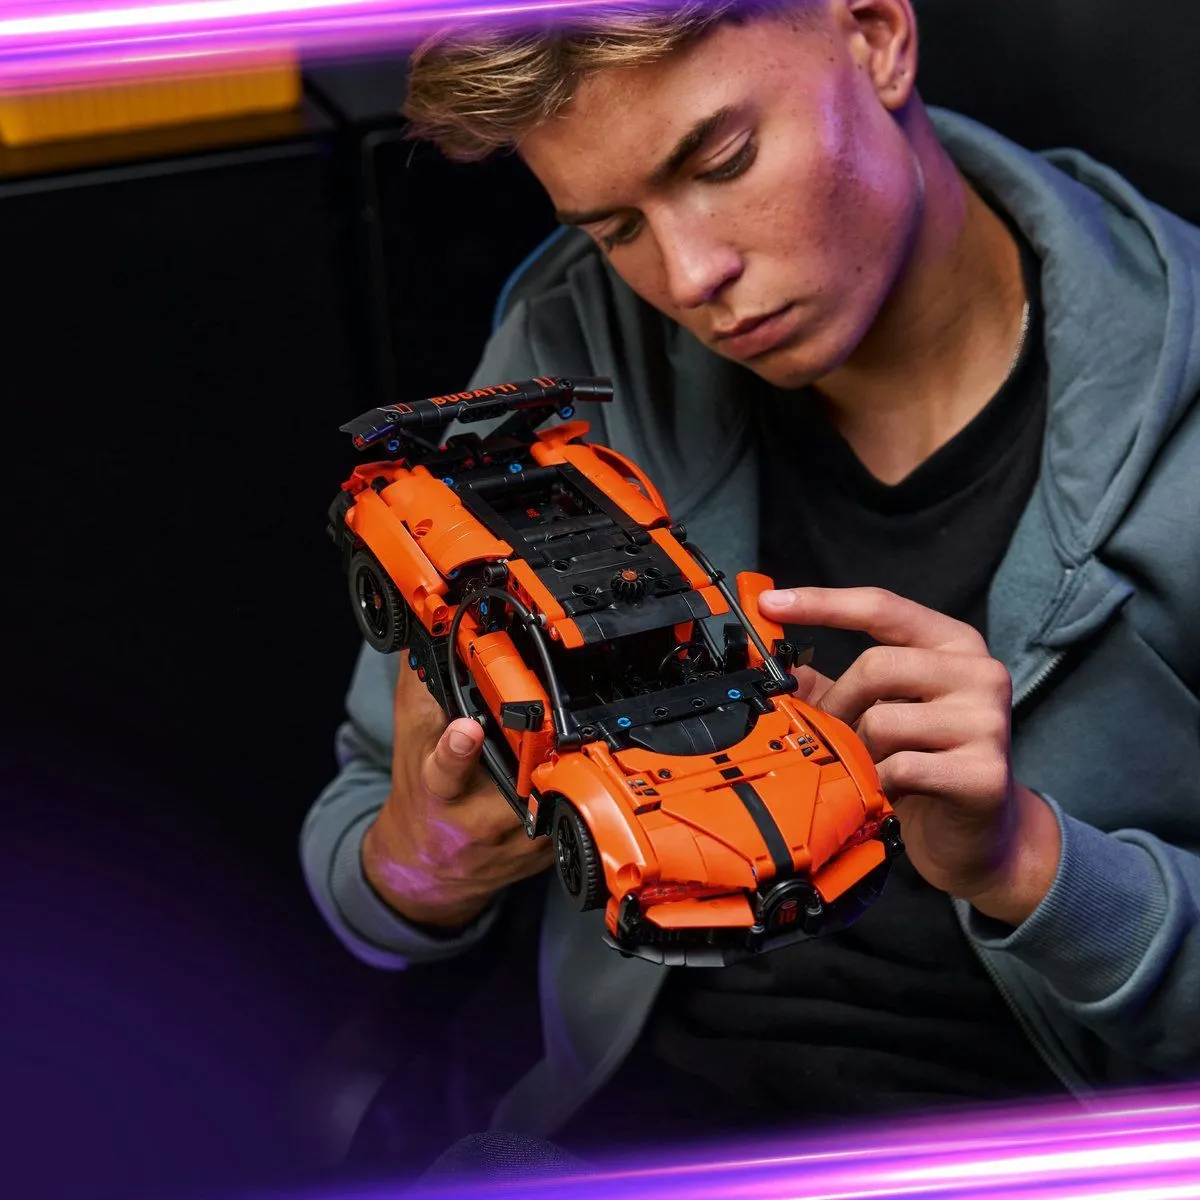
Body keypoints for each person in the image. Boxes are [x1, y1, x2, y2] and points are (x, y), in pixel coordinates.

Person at [302, 0, 1200, 1163]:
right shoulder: (577, 344)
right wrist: (423, 865)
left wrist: (1031, 865)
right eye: (615, 227)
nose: (691, 277)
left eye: (721, 162)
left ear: (874, 35)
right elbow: (361, 851)